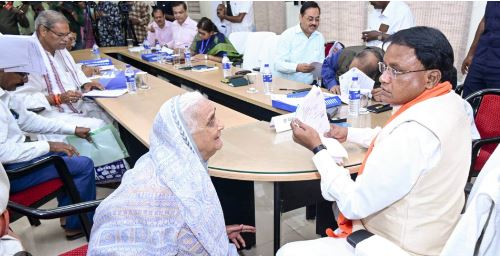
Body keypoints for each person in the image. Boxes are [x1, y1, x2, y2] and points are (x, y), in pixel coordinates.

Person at [278, 26, 472, 256]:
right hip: (436, 234)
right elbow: (394, 136)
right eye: (385, 67)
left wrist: (318, 148)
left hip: (396, 245)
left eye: (396, 71)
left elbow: (353, 203)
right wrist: (348, 133)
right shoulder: (456, 104)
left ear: (431, 77)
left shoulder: (413, 134)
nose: (383, 78)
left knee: (287, 251)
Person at [88, 91, 256, 255]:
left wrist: (215, 234)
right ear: (185, 137)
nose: (221, 125)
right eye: (211, 121)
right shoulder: (173, 192)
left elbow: (178, 233)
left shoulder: (166, 162)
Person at [12, 10, 128, 184]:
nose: (66, 40)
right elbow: (20, 101)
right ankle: (100, 172)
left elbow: (74, 72)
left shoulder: (60, 49)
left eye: (67, 35)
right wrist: (57, 99)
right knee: (97, 125)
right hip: (48, 113)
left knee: (110, 114)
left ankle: (113, 166)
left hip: (74, 104)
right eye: (61, 35)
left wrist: (85, 84)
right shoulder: (27, 55)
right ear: (43, 31)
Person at [0, 35, 96, 240]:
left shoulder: (5, 94)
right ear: (2, 69)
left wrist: (72, 129)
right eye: (21, 74)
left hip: (15, 164)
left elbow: (29, 121)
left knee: (66, 156)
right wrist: (49, 146)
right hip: (11, 173)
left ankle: (68, 213)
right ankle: (77, 224)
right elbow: (4, 153)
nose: (24, 80)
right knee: (82, 164)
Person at [275, 1, 325, 85]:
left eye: (317, 19)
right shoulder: (288, 35)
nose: (314, 23)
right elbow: (278, 64)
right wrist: (297, 67)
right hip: (289, 86)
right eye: (310, 19)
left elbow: (321, 63)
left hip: (311, 85)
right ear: (300, 17)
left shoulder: (319, 37)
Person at [461, 2, 500, 98]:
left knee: (494, 106)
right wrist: (471, 54)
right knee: (469, 100)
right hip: (480, 58)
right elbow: (484, 21)